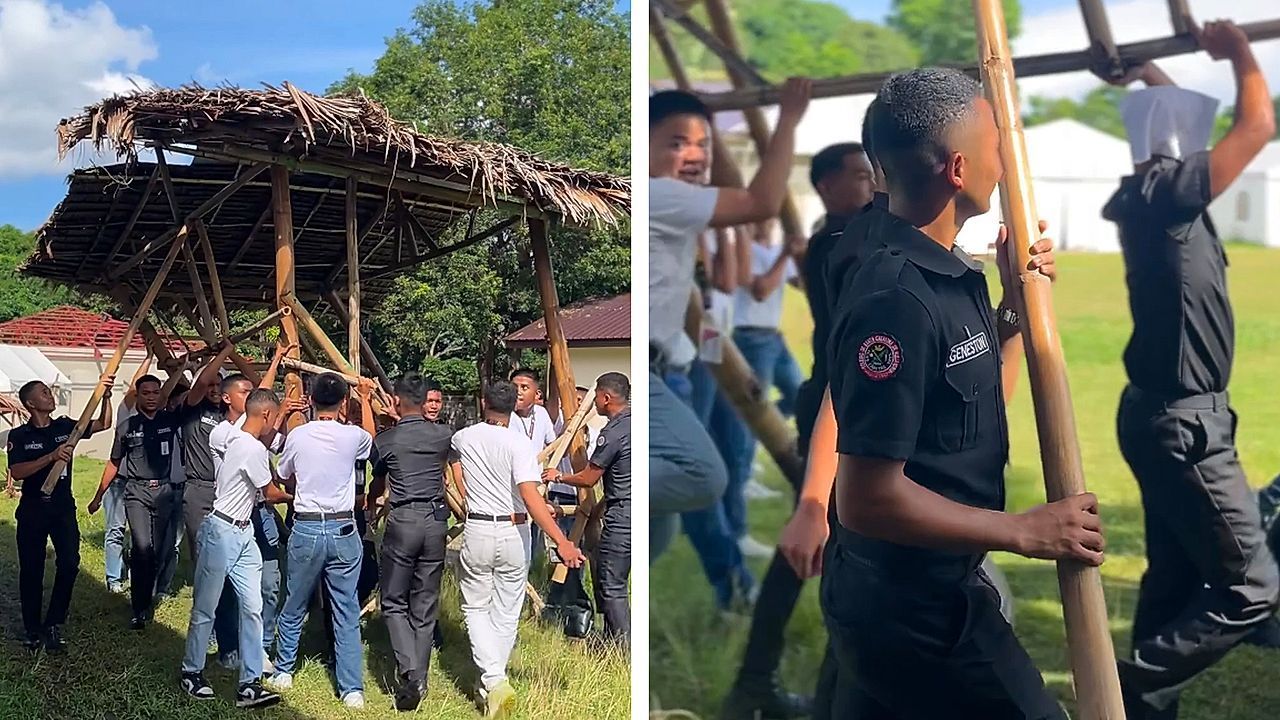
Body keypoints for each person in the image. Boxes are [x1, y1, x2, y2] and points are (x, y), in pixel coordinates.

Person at [821, 67, 1093, 718]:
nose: (1006, 164)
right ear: (960, 168)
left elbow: (965, 413)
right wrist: (1023, 531)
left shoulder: (948, 273)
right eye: (999, 145)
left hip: (918, 592)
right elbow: (866, 498)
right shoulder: (897, 296)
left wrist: (1009, 313)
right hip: (914, 610)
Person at [1101, 20, 1280, 719]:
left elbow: (1173, 126)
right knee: (1252, 587)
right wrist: (1238, 52)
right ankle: (1117, 687)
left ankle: (1137, 712)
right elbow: (1258, 122)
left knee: (1174, 581)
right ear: (1178, 156)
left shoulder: (1157, 198)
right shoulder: (1169, 196)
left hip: (1167, 413)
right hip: (1184, 423)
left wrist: (1148, 70)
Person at [721, 141, 879, 719]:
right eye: (861, 176)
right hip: (842, 404)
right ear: (828, 188)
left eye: (874, 175)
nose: (871, 184)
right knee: (837, 548)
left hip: (836, 397)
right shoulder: (844, 242)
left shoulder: (833, 237)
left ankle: (760, 681)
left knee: (827, 547)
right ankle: (778, 685)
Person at [648, 79, 810, 612]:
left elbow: (728, 277)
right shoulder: (665, 197)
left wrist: (740, 231)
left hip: (699, 352)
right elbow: (760, 201)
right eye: (676, 142)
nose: (692, 155)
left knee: (662, 532)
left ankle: (613, 609)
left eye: (703, 146)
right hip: (680, 362)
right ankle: (732, 580)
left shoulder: (684, 209)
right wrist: (787, 118)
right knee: (707, 472)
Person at [450, 380, 586, 718]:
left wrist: (466, 492)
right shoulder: (520, 444)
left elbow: (452, 458)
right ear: (515, 407)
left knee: (475, 607)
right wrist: (562, 540)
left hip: (478, 526)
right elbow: (529, 496)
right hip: (515, 530)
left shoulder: (464, 437)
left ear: (483, 403)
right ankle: (496, 680)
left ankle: (492, 681)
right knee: (507, 611)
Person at [266, 372, 373, 709]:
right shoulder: (353, 436)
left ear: (310, 400)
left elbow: (283, 473)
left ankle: (284, 669)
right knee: (346, 609)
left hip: (307, 526)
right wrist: (367, 399)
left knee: (294, 602)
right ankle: (351, 687)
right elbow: (371, 439)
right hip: (343, 528)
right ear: (343, 403)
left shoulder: (298, 436)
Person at [179, 388, 290, 708]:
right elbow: (269, 492)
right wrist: (299, 498)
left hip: (244, 533)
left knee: (253, 607)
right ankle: (191, 672)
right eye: (275, 418)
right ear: (267, 415)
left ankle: (250, 683)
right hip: (221, 531)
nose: (275, 425)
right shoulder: (250, 448)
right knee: (205, 607)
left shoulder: (236, 436)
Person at [366, 372, 455, 712]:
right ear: (424, 401)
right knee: (425, 603)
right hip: (436, 521)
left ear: (398, 400)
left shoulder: (388, 440)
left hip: (403, 519)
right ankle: (421, 678)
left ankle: (410, 673)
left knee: (393, 601)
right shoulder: (444, 435)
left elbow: (376, 480)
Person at [8, 375, 113, 651]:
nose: (50, 395)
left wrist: (106, 397)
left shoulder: (67, 427)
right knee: (32, 569)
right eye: (44, 393)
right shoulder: (20, 436)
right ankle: (32, 629)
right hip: (32, 509)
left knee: (69, 563)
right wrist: (50, 457)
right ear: (31, 403)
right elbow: (17, 472)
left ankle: (53, 622)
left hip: (62, 507)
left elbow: (103, 424)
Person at [89, 374, 185, 630]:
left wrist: (182, 368)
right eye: (146, 393)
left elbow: (191, 393)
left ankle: (147, 592)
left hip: (163, 492)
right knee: (142, 549)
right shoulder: (127, 427)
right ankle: (139, 609)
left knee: (157, 551)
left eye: (156, 393)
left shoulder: (170, 420)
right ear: (138, 396)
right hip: (136, 493)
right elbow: (114, 462)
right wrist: (99, 495)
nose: (152, 397)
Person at [541, 372, 631, 643]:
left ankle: (623, 648)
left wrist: (559, 476)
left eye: (595, 399)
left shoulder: (614, 432)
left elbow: (589, 478)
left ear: (605, 398)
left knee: (611, 584)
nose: (594, 406)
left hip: (623, 515)